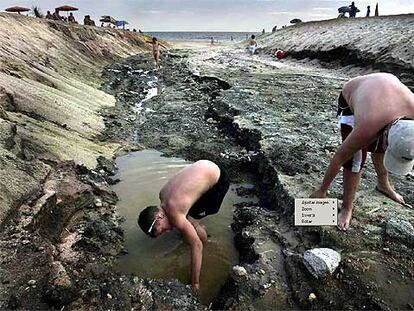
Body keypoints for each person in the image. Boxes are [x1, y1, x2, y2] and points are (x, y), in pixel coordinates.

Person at [311, 73, 414, 231]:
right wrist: (322, 190)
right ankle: (347, 207)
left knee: (382, 147)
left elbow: (393, 140)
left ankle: (383, 185)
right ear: (386, 132)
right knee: (355, 159)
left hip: (383, 91)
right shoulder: (368, 125)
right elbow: (340, 158)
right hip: (354, 93)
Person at [138, 160, 230, 291]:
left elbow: (195, 245)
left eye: (162, 230)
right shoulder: (162, 195)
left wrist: (195, 283)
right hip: (207, 164)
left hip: (219, 180)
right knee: (185, 221)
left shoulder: (175, 214)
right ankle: (190, 230)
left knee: (193, 224)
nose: (167, 231)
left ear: (159, 216)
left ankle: (207, 243)